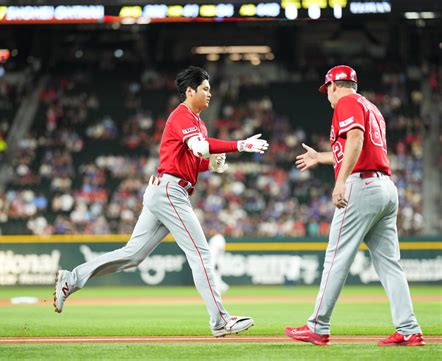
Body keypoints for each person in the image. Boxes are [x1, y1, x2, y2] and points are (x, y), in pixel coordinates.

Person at [53, 66, 269, 337]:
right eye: (205, 89)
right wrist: (239, 145)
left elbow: (192, 159)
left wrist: (210, 166)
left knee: (133, 255)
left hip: (165, 189)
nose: (209, 93)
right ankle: (221, 321)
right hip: (170, 190)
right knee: (201, 254)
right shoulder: (181, 115)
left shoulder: (197, 122)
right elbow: (200, 148)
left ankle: (70, 279)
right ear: (190, 92)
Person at [285, 65, 424, 346]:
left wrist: (341, 181)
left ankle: (318, 326)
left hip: (361, 187)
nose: (328, 96)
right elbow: (358, 148)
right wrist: (322, 158)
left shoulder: (346, 101)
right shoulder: (369, 106)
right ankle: (409, 329)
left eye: (328, 90)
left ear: (335, 86)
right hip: (384, 187)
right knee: (389, 264)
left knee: (336, 256)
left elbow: (356, 140)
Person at [208, 230, 230, 295]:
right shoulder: (215, 238)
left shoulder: (219, 237)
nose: (211, 231)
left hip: (216, 259)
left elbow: (220, 249)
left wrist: (216, 261)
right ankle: (221, 288)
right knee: (214, 275)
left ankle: (222, 287)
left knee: (215, 275)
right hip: (214, 259)